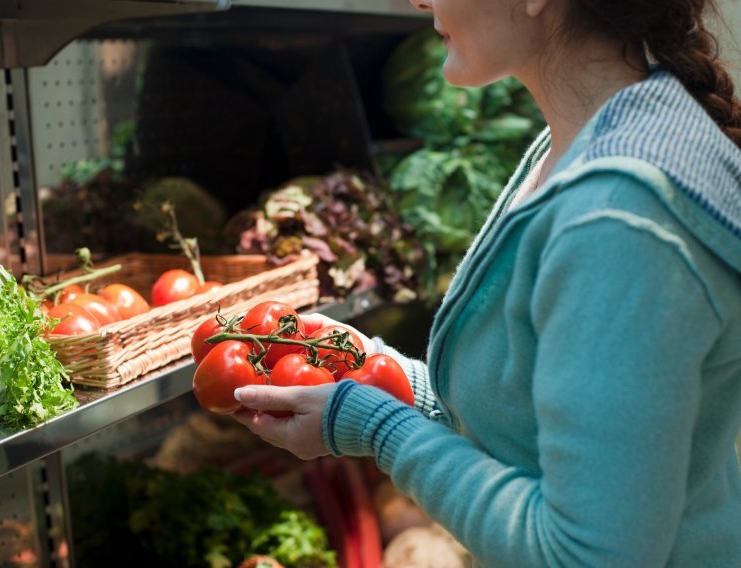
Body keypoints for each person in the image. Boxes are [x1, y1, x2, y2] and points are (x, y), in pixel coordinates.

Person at [231, 0, 741, 565]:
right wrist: (385, 378)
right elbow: (532, 434)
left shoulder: (619, 215)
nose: (417, 0)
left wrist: (379, 429)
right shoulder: (575, 146)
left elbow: (586, 556)